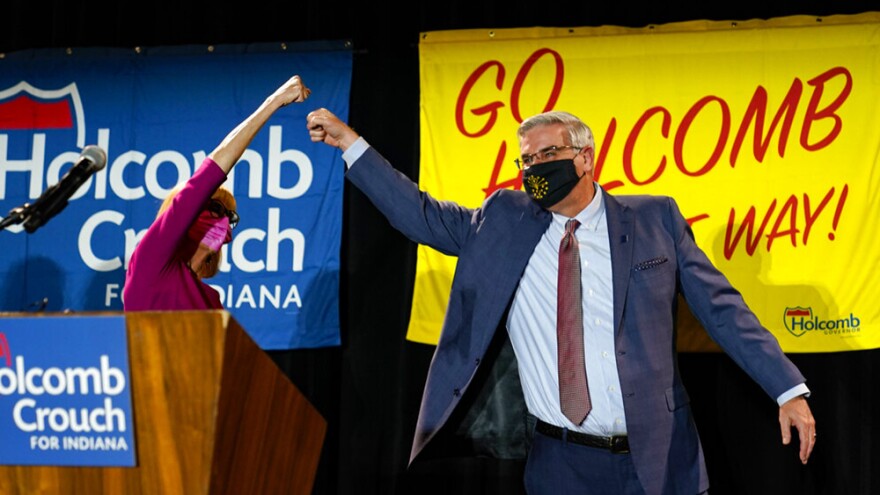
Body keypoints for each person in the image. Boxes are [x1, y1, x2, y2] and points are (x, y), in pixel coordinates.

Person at [306, 108, 816, 495]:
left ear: (585, 157)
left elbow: (723, 309)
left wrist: (786, 389)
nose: (535, 168)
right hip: (562, 463)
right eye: (526, 160)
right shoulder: (504, 220)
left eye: (547, 155)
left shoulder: (654, 219)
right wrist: (350, 143)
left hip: (659, 453)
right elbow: (419, 214)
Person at [123, 74, 311, 311]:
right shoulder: (150, 263)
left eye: (229, 215)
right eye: (215, 207)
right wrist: (273, 102)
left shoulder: (211, 300)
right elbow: (210, 173)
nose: (223, 220)